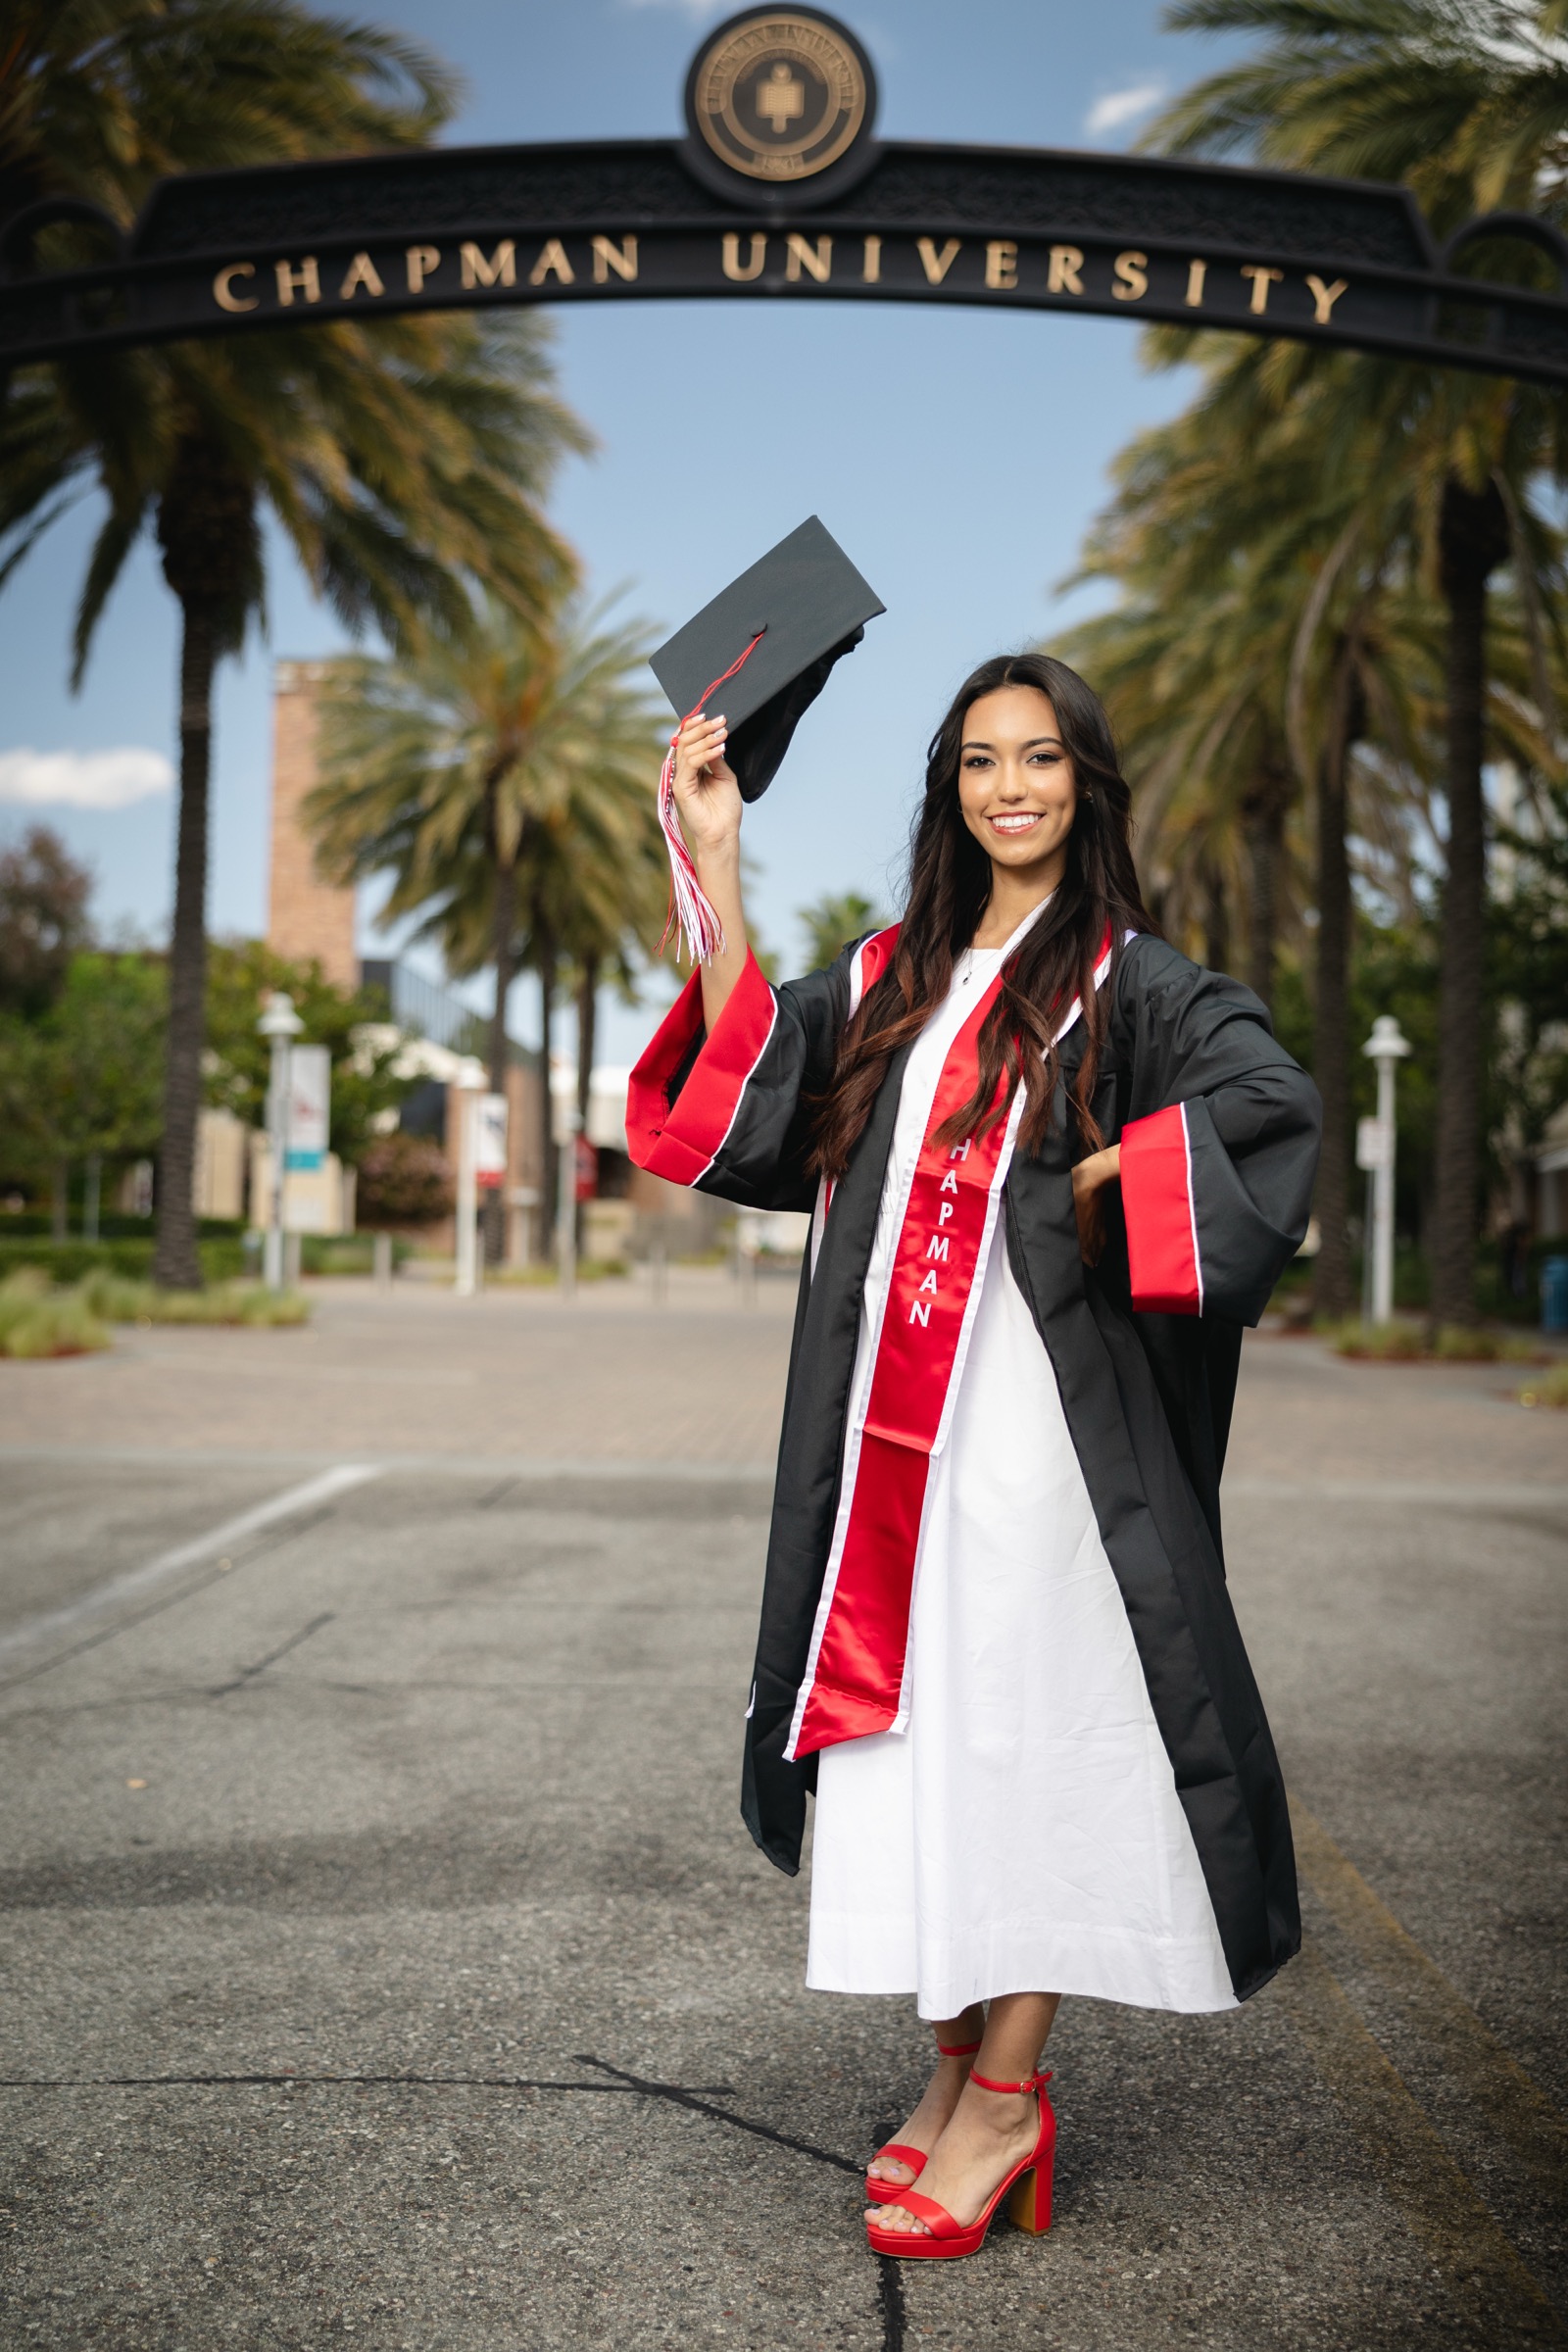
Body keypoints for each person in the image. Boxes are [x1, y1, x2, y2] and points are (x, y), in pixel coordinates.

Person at [626, 652, 1321, 2261]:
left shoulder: (1130, 981)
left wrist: (1099, 1184)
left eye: (1044, 759)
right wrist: (717, 862)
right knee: (925, 1737)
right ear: (951, 787)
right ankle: (952, 2075)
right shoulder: (894, 971)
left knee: (1028, 1740)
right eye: (982, 762)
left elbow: (1264, 1107)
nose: (1013, 787)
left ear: (1086, 782)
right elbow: (748, 1090)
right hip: (892, 1452)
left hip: (1039, 1459)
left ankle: (1008, 2098)